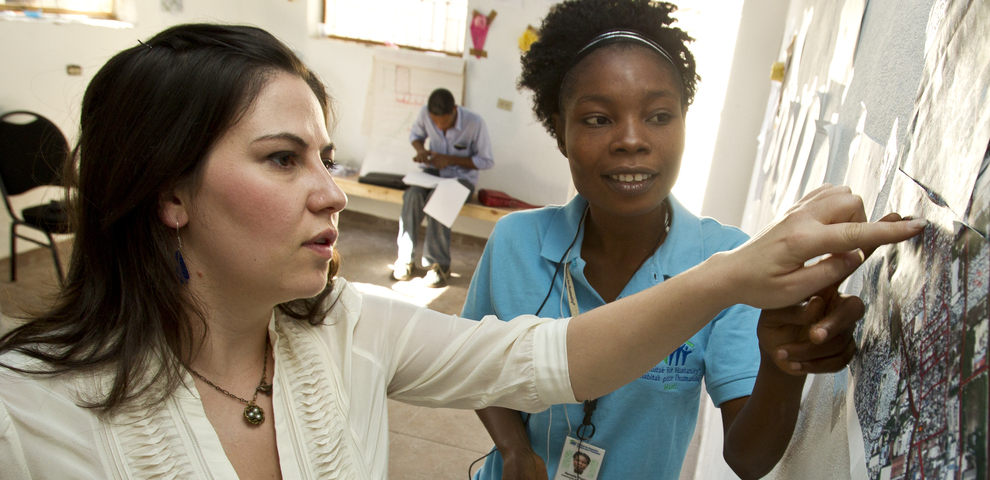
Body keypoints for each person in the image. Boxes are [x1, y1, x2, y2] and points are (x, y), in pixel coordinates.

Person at [0, 24, 921, 480]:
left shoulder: (347, 329)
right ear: (166, 191)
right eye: (284, 160)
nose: (329, 188)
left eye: (325, 155)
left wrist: (733, 278)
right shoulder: (28, 412)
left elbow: (539, 358)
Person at [463, 1, 912, 479]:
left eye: (659, 116)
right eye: (598, 119)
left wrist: (780, 367)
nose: (632, 140)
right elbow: (476, 359)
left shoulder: (732, 263)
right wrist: (514, 449)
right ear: (559, 130)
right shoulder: (516, 241)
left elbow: (748, 460)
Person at [393, 88, 494, 287]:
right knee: (412, 195)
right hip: (433, 173)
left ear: (455, 110)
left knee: (442, 199)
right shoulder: (424, 113)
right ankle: (405, 259)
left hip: (462, 178)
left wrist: (450, 160)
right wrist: (421, 150)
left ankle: (438, 265)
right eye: (435, 122)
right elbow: (416, 135)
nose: (439, 125)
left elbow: (486, 161)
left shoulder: (475, 123)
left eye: (444, 122)